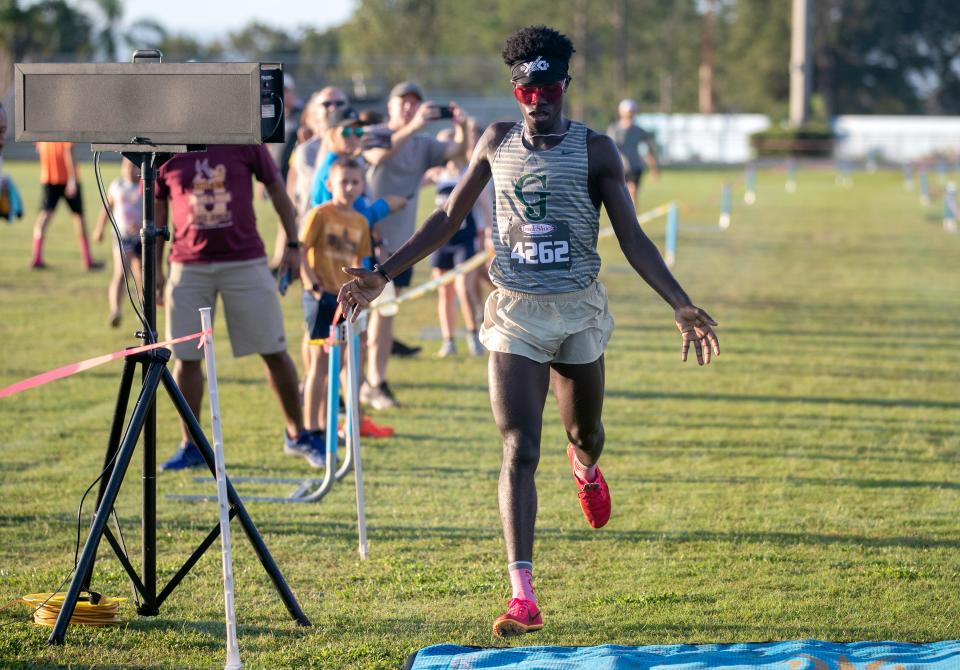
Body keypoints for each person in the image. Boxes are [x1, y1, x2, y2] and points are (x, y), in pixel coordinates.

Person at [337, 25, 720, 636]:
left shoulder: (597, 151)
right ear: (515, 93)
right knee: (519, 446)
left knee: (585, 430)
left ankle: (586, 467)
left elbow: (631, 236)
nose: (538, 100)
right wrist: (384, 273)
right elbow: (446, 214)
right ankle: (522, 595)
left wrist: (680, 301)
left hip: (577, 311)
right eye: (527, 91)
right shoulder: (494, 141)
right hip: (514, 311)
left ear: (564, 86)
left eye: (548, 88)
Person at [154, 144, 319, 470]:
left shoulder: (242, 139)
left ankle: (297, 434)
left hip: (245, 261)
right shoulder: (167, 146)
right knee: (186, 357)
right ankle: (192, 445)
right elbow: (159, 207)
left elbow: (277, 190)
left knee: (273, 348)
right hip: (187, 265)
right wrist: (155, 268)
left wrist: (294, 244)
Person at [358, 80, 469, 409]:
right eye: (402, 102)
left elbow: (456, 153)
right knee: (360, 319)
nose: (408, 108)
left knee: (385, 316)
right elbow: (380, 155)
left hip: (400, 248)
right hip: (365, 239)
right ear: (390, 106)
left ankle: (375, 382)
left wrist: (460, 127)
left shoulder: (422, 144)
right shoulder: (375, 132)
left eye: (414, 103)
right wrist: (414, 126)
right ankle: (357, 382)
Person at [300, 157, 373, 453]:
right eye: (344, 182)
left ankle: (331, 425)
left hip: (345, 299)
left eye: (355, 182)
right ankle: (311, 429)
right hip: (321, 295)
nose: (350, 187)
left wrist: (360, 292)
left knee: (341, 363)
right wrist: (311, 285)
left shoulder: (360, 221)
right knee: (318, 363)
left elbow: (360, 261)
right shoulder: (320, 214)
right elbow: (302, 251)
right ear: (330, 185)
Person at [424, 124, 489, 358]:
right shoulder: (436, 174)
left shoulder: (468, 173)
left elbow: (484, 205)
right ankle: (448, 341)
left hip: (465, 238)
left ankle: (473, 337)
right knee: (445, 293)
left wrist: (488, 232)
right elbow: (410, 183)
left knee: (464, 288)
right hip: (441, 241)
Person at [31, 141, 103, 270]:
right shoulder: (63, 128)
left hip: (48, 177)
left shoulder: (42, 129)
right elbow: (68, 152)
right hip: (66, 179)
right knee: (78, 217)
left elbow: (38, 148)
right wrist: (72, 179)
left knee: (44, 216)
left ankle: (36, 258)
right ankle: (88, 260)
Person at [93, 158, 143, 328]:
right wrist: (99, 229)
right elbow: (107, 207)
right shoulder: (117, 185)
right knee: (121, 274)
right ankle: (115, 311)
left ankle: (143, 311)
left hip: (142, 237)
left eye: (134, 166)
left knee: (141, 276)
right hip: (122, 236)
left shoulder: (145, 186)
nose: (130, 169)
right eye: (127, 166)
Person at [607, 99, 660, 205]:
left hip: (634, 167)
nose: (629, 115)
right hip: (618, 167)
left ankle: (633, 220)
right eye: (627, 112)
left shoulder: (639, 131)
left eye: (631, 112)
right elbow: (608, 150)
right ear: (621, 113)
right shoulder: (614, 130)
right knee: (619, 197)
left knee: (632, 192)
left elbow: (649, 150)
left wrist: (654, 168)